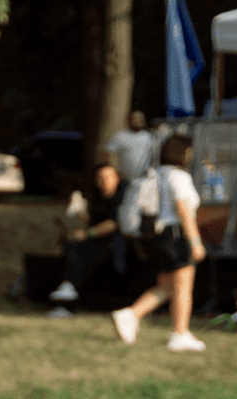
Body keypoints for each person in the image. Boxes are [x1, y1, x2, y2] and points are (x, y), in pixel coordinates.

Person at [111, 134, 206, 352]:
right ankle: (180, 334)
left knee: (166, 287)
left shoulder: (156, 174)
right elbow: (184, 211)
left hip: (156, 237)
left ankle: (130, 314)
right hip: (175, 236)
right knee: (183, 287)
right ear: (184, 154)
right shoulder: (179, 177)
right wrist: (195, 242)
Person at [48, 163, 128, 307]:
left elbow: (114, 223)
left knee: (81, 250)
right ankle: (67, 287)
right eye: (101, 178)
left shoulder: (123, 196)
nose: (105, 181)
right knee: (72, 247)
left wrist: (88, 233)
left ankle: (70, 286)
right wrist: (78, 210)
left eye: (109, 177)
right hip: (97, 241)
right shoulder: (98, 197)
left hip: (116, 244)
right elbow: (93, 220)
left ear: (117, 178)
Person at [102, 110, 156, 181]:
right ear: (128, 120)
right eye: (135, 119)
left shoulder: (149, 137)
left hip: (144, 180)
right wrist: (112, 171)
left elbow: (155, 156)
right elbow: (106, 152)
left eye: (140, 119)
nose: (138, 121)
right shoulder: (120, 136)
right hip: (124, 180)